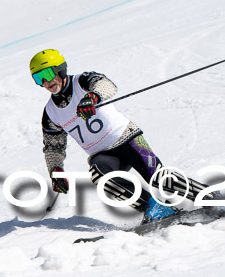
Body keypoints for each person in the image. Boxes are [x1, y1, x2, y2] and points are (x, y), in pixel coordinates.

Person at [31, 49, 213, 223]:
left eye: (47, 74)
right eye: (38, 78)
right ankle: (155, 207)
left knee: (158, 179)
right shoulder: (50, 112)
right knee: (100, 176)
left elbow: (107, 85)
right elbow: (53, 147)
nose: (46, 82)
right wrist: (56, 171)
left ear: (60, 69)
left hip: (127, 139)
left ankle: (211, 197)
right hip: (103, 155)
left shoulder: (82, 81)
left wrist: (93, 97)